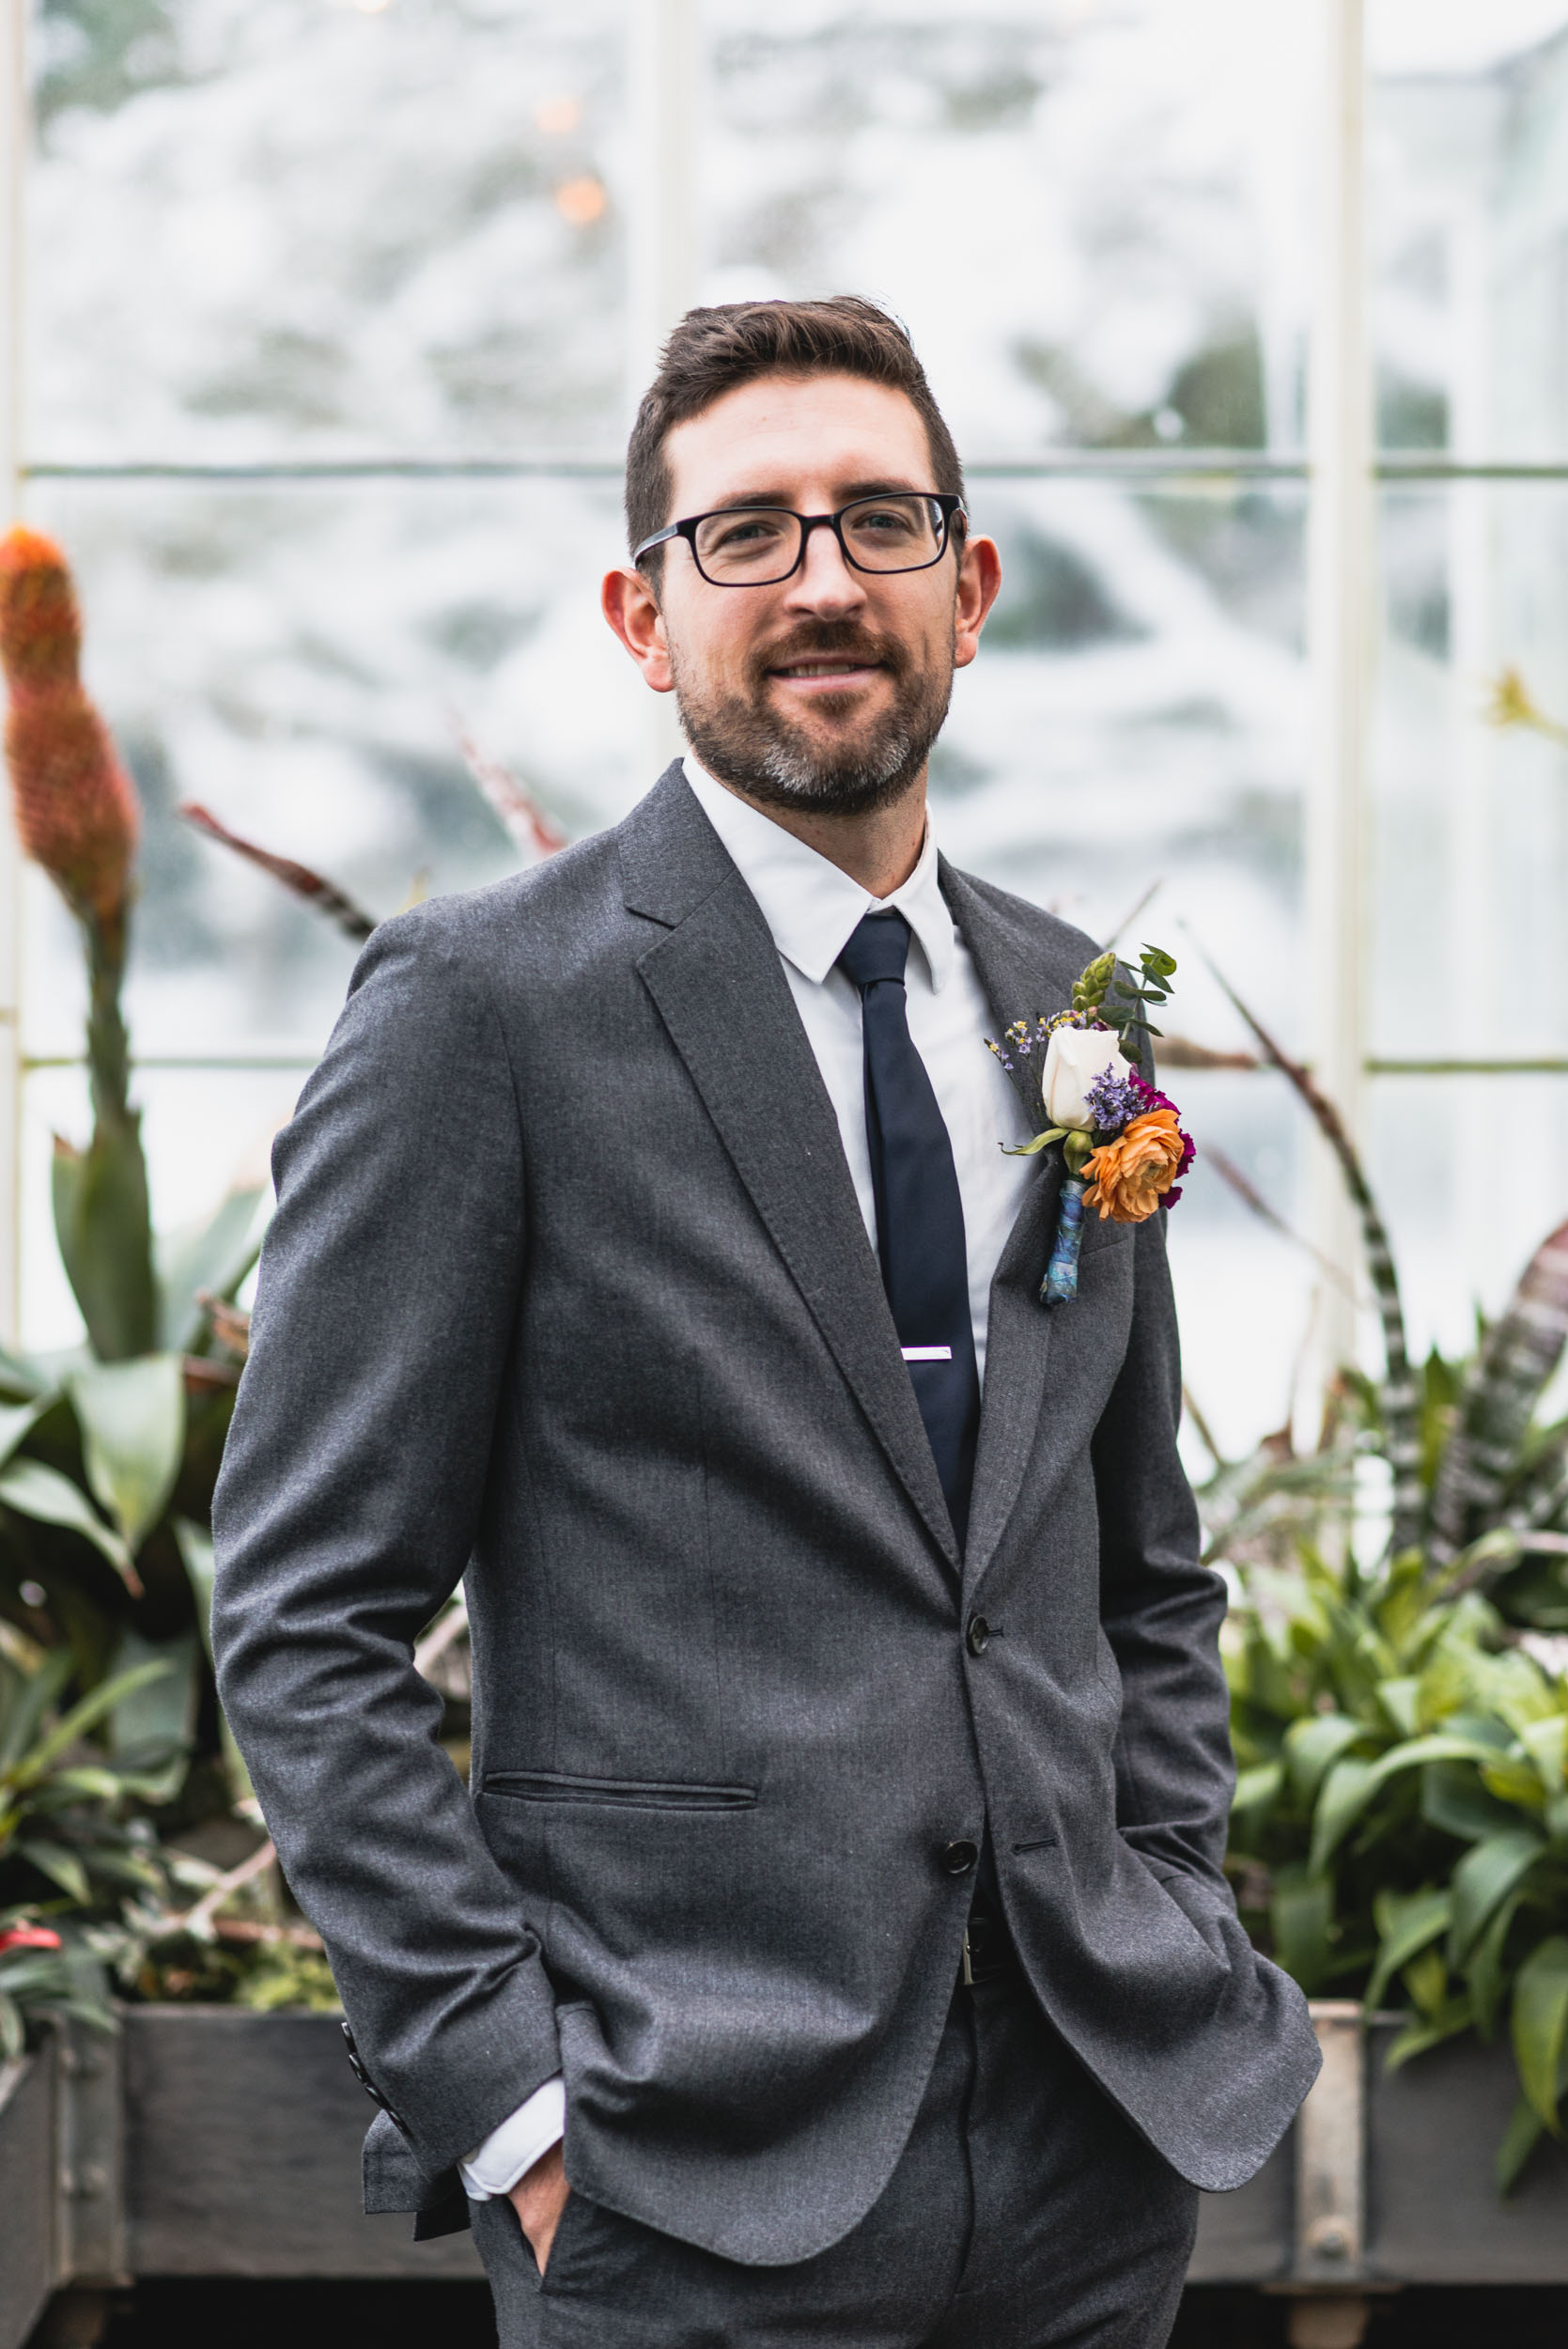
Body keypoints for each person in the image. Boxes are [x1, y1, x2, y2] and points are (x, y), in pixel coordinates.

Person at [211, 296, 1318, 2349]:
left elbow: (1134, 1562)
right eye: (745, 531)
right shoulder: (480, 1013)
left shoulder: (1081, 1012)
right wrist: (510, 2098)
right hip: (676, 2174)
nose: (820, 575)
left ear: (966, 589)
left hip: (1092, 2150)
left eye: (876, 518)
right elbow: (304, 1608)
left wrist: (1164, 1891)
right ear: (643, 617)